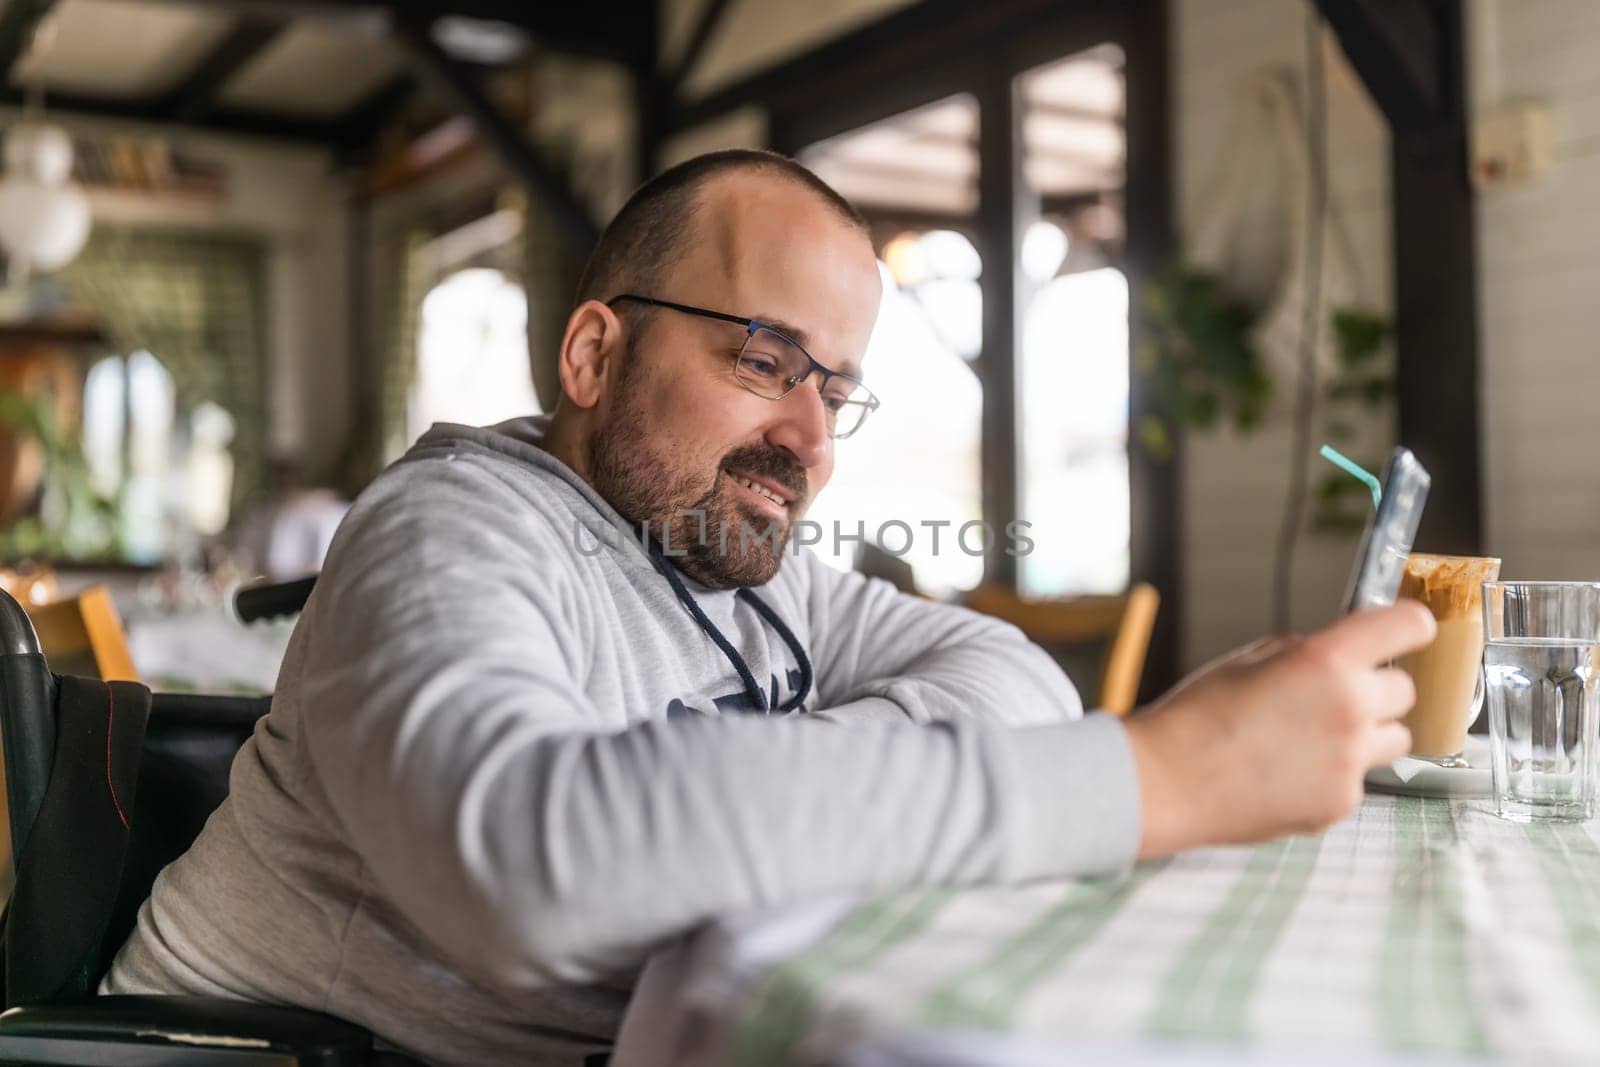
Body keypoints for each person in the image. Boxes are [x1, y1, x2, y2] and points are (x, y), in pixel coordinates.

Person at [101, 150, 1433, 1066]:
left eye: (836, 391)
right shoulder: (451, 529)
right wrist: (1156, 775)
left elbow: (1014, 678)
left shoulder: (730, 554)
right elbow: (533, 863)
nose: (808, 438)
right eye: (761, 361)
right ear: (592, 354)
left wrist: (707, 799)